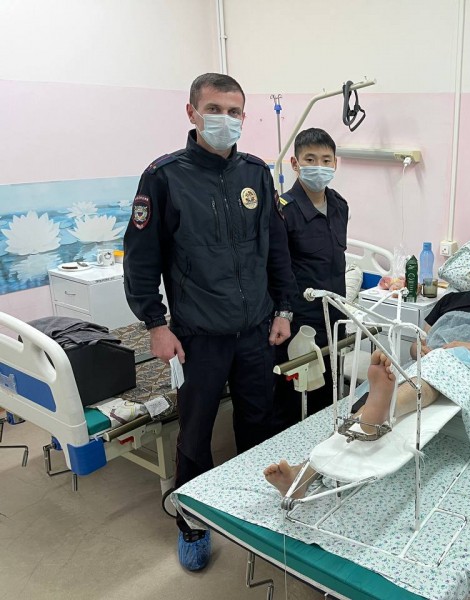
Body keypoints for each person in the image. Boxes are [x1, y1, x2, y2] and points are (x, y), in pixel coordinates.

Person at [123, 73, 298, 572]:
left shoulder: (256, 173)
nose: (227, 119)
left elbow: (276, 249)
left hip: (256, 329)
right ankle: (192, 523)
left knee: (260, 422)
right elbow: (141, 259)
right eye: (215, 109)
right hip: (198, 335)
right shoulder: (164, 177)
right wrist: (155, 324)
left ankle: (258, 512)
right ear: (192, 113)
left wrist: (284, 309)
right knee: (196, 433)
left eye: (235, 111)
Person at [264, 236, 470, 497]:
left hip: (468, 368)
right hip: (429, 362)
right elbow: (418, 344)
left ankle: (384, 408)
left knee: (413, 380)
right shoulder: (450, 300)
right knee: (362, 405)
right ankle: (304, 474)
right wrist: (422, 350)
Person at [272, 128, 348, 431]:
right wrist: (283, 315)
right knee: (297, 401)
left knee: (330, 397)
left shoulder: (340, 205)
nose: (320, 166)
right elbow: (276, 270)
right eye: (311, 159)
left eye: (326, 160)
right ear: (295, 163)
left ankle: (327, 446)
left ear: (335, 163)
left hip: (335, 318)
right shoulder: (283, 211)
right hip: (300, 323)